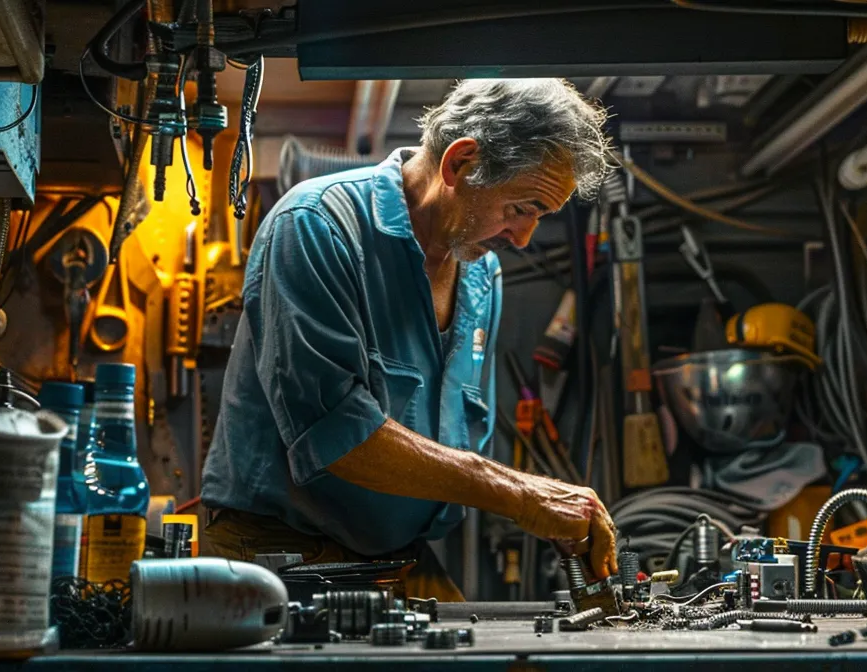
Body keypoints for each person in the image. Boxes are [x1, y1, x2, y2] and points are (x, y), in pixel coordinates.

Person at [199, 79, 619, 600]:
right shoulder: (316, 226)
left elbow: (459, 436)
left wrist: (539, 507)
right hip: (275, 556)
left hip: (397, 560)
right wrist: (524, 496)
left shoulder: (482, 272)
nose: (524, 238)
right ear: (460, 164)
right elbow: (336, 437)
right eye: (521, 208)